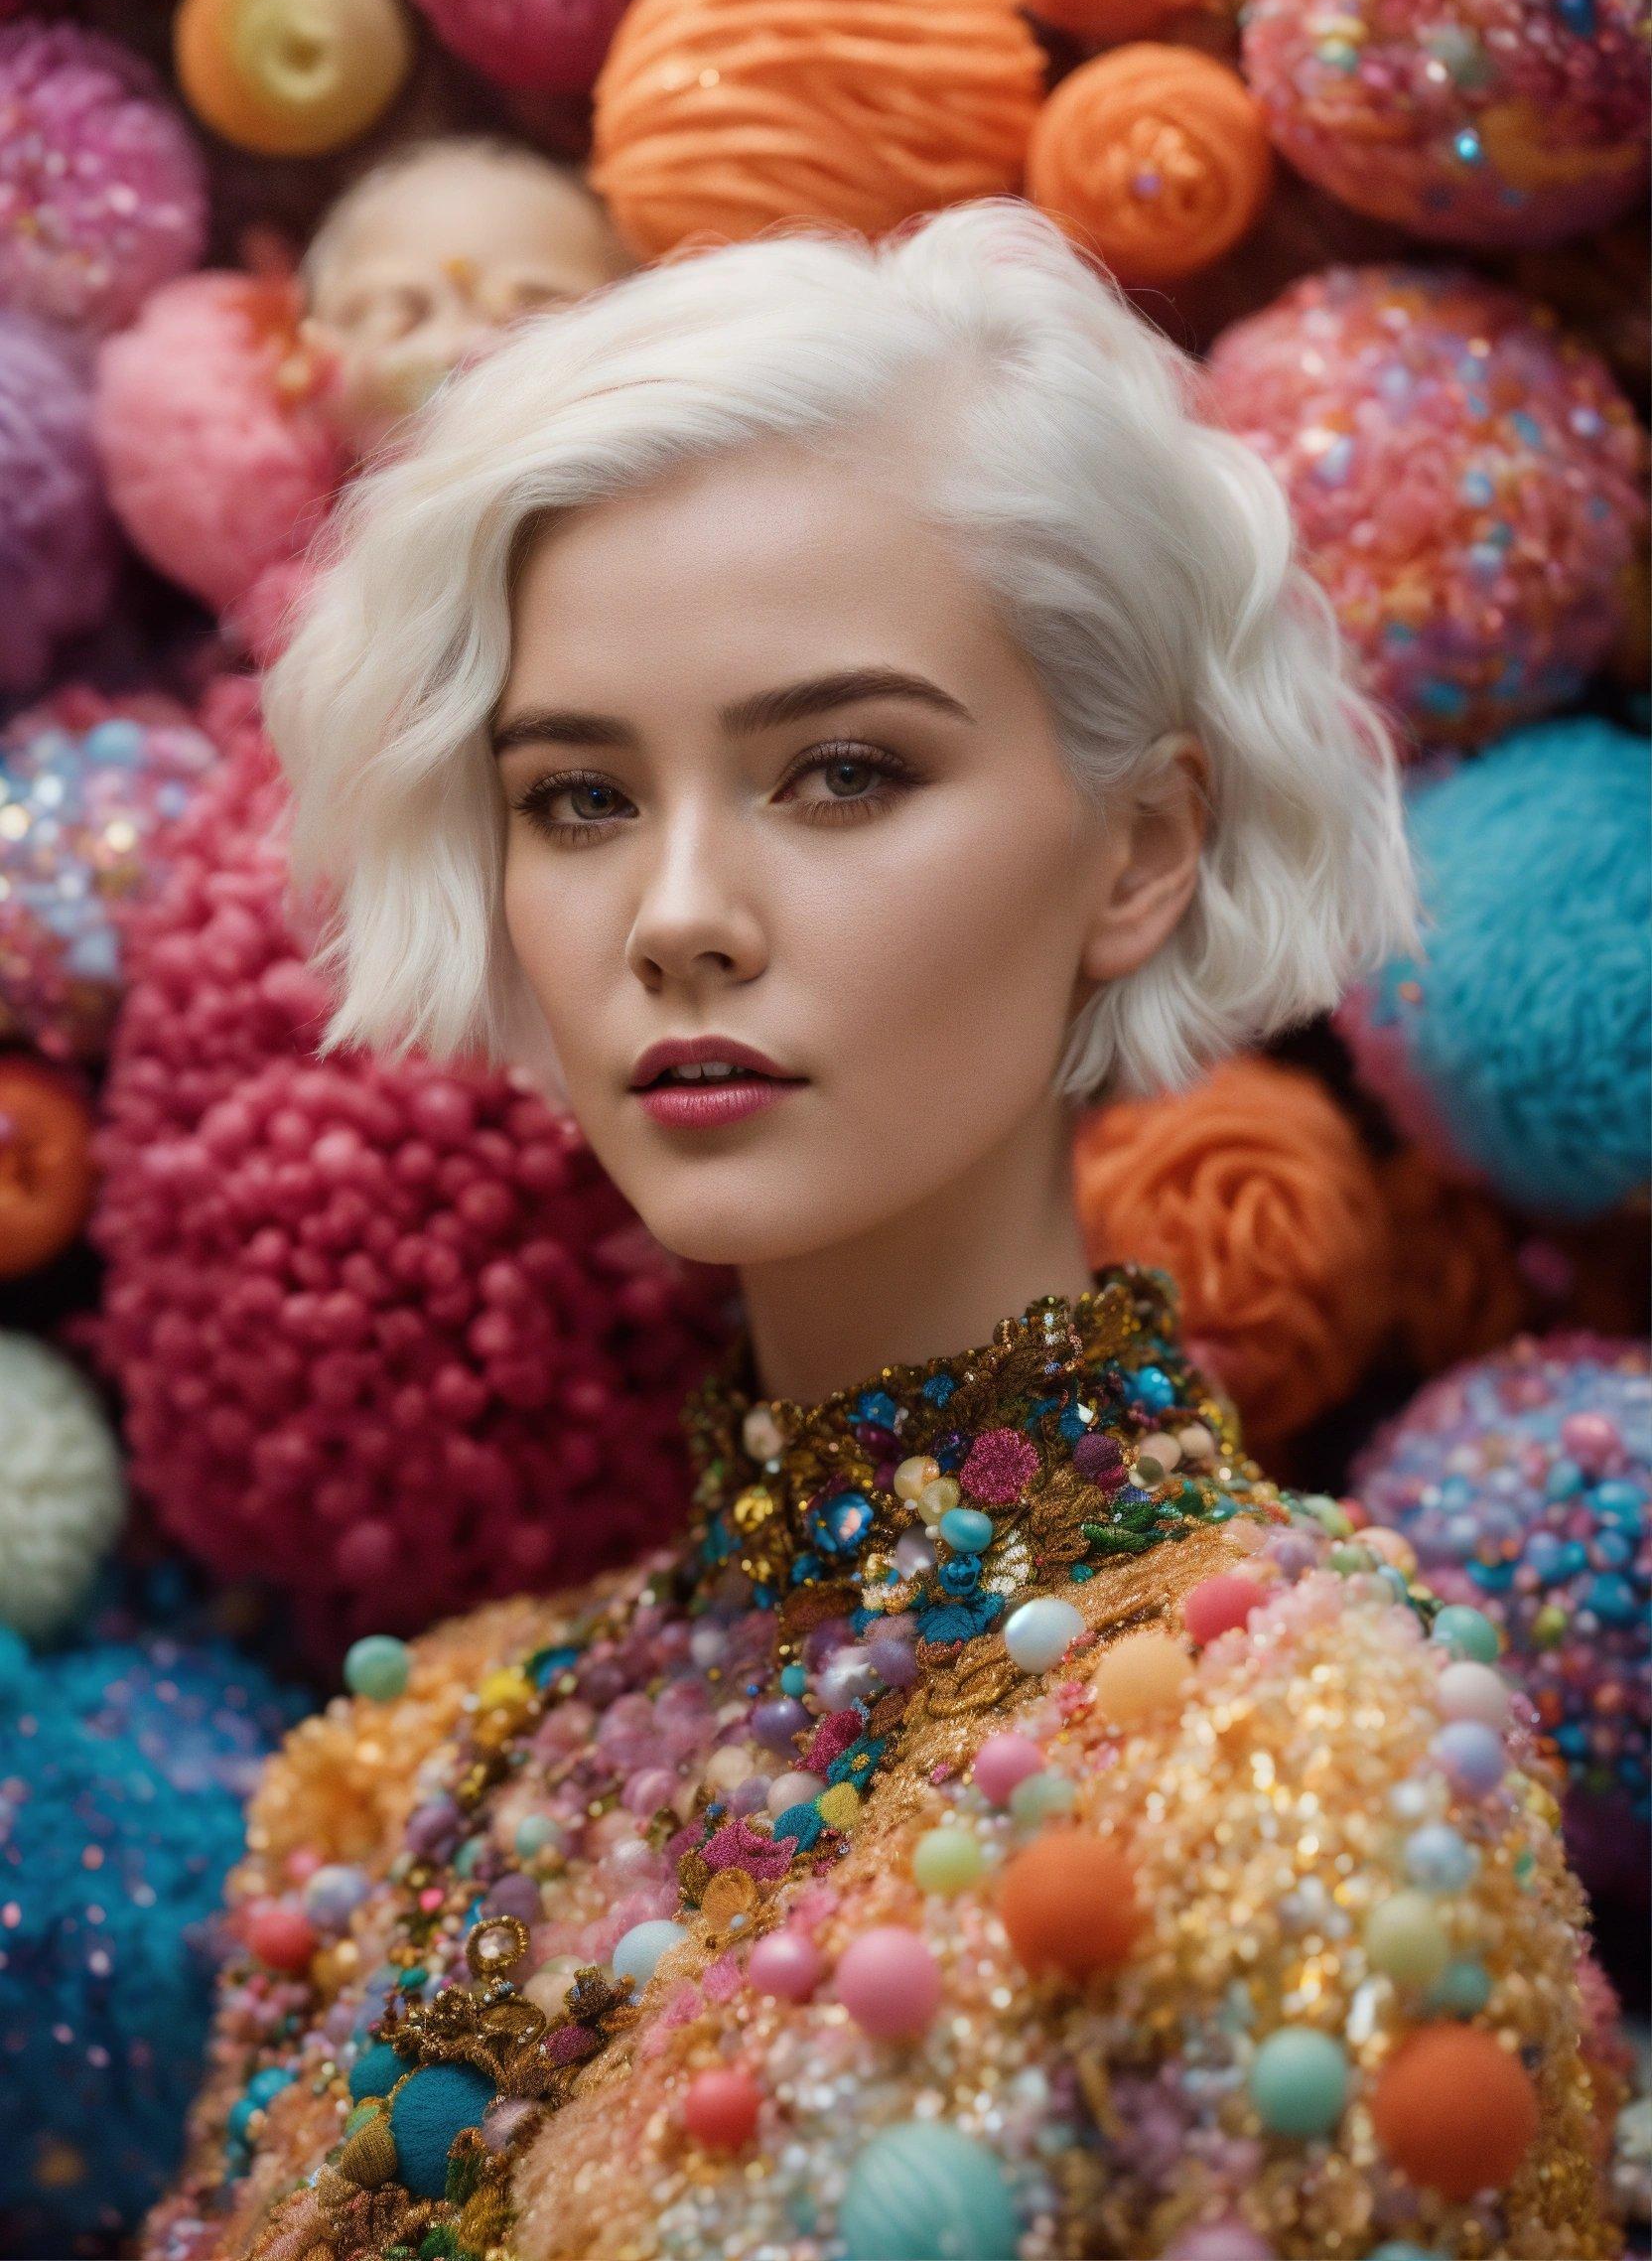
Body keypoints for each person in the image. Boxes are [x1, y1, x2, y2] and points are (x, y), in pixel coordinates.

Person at [143, 202, 1623, 2261]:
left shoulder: (1299, 1738)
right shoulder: (401, 1767)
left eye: (837, 773)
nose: (675, 914)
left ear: (1139, 845)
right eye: (576, 797)